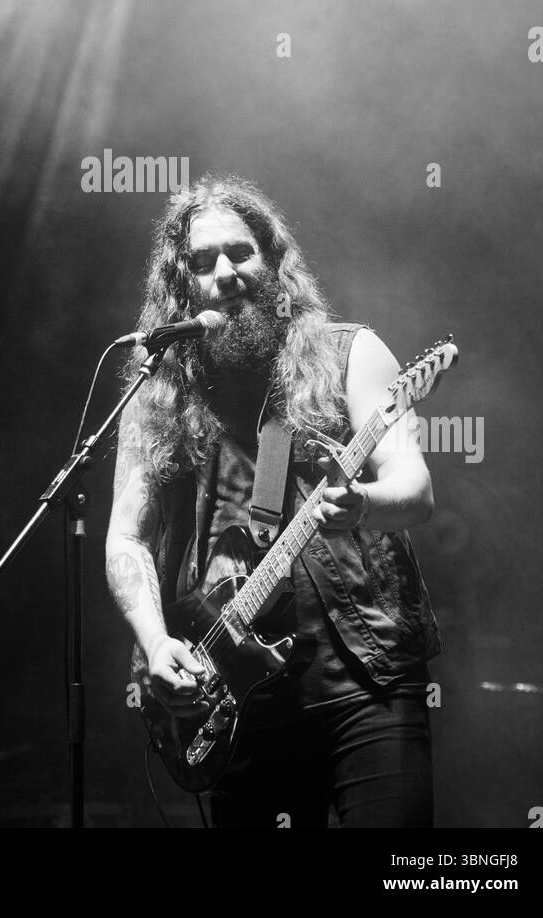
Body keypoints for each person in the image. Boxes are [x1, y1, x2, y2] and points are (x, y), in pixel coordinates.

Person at [105, 174, 440, 828]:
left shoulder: (351, 354)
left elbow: (416, 487)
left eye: (241, 253)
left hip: (366, 684)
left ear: (274, 261)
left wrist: (362, 505)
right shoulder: (156, 396)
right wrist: (153, 641)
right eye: (203, 263)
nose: (226, 273)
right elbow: (126, 539)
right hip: (234, 702)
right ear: (181, 288)